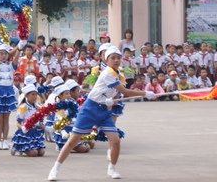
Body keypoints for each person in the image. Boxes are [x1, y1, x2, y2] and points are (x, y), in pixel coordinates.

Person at [47, 46, 156, 181]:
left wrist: (112, 101)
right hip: (90, 109)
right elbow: (126, 92)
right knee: (72, 141)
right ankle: (55, 170)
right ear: (106, 60)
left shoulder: (118, 75)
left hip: (104, 110)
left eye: (118, 58)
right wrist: (145, 93)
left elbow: (117, 95)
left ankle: (112, 168)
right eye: (112, 58)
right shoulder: (108, 73)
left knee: (115, 141)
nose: (116, 60)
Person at [0, 43, 18, 151]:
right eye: (1, 53)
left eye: (5, 53)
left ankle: (5, 140)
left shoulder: (11, 65)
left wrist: (20, 47)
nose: (3, 56)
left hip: (9, 92)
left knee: (6, 119)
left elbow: (17, 54)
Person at [52, 84, 90, 153]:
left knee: (88, 147)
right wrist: (63, 132)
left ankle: (71, 145)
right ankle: (62, 146)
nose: (69, 95)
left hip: (74, 129)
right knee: (83, 148)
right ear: (60, 96)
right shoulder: (59, 107)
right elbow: (57, 124)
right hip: (65, 131)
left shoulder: (72, 103)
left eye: (69, 93)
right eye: (66, 94)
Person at [10, 84, 45, 157]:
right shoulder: (23, 107)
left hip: (35, 132)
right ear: (26, 96)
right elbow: (18, 123)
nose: (35, 97)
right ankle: (18, 146)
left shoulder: (38, 107)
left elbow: (40, 122)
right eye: (32, 95)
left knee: (41, 152)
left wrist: (45, 127)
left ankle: (23, 147)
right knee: (34, 153)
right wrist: (23, 127)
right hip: (26, 133)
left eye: (35, 95)